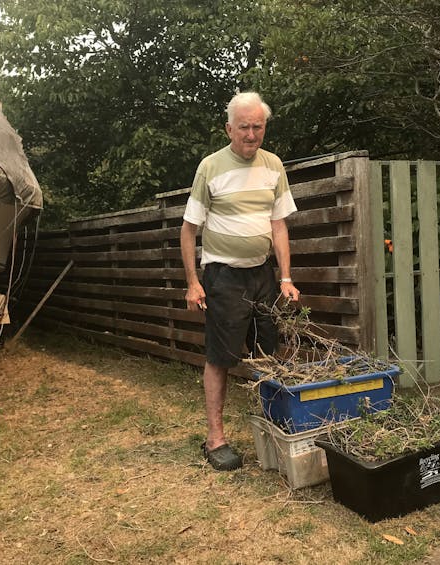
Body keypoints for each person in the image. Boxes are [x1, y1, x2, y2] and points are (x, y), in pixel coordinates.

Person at [180, 92, 300, 471]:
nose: (251, 134)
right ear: (229, 128)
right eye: (244, 127)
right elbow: (188, 231)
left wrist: (285, 278)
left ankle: (273, 429)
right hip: (223, 276)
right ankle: (215, 439)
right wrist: (193, 283)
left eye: (258, 126)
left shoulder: (273, 165)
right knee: (221, 357)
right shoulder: (210, 167)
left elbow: (278, 225)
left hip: (262, 274)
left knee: (269, 355)